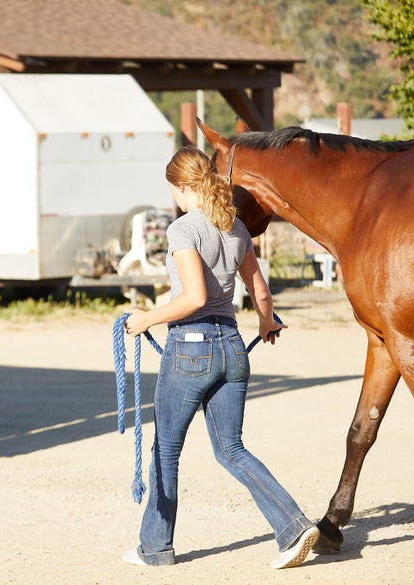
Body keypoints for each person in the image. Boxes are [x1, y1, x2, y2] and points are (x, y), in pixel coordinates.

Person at [122, 146, 319, 569]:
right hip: (231, 346)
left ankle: (155, 548)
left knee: (167, 450)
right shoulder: (236, 227)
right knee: (231, 449)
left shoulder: (183, 230)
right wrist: (266, 323)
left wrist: (146, 320)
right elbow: (261, 292)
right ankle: (292, 525)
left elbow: (193, 297)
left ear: (179, 187)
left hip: (190, 348)